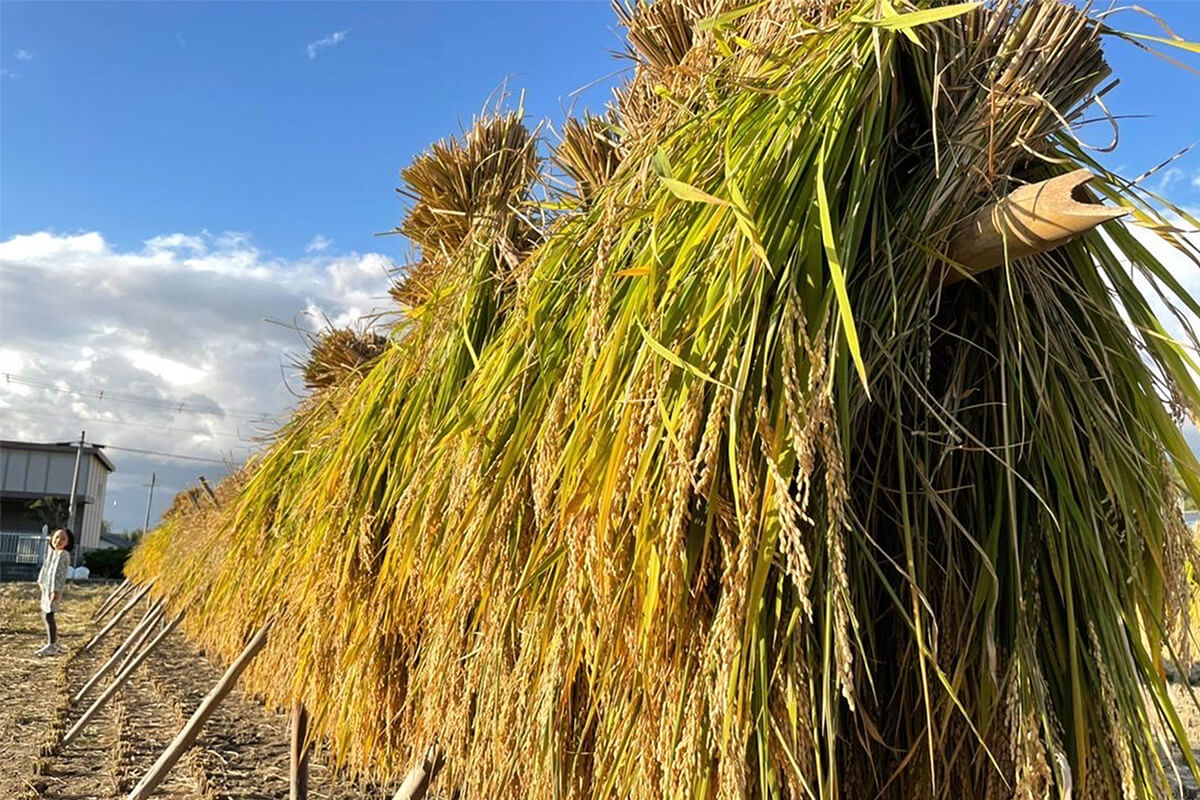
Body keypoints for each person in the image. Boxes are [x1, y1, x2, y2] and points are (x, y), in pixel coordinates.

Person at [35, 527, 73, 657]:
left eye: (63, 539)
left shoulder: (63, 555)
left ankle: (52, 645)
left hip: (53, 590)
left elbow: (59, 574)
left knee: (49, 615)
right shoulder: (52, 552)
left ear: (68, 542)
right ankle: (51, 643)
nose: (59, 540)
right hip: (46, 588)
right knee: (44, 614)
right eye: (56, 537)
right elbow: (45, 568)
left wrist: (55, 591)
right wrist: (40, 581)